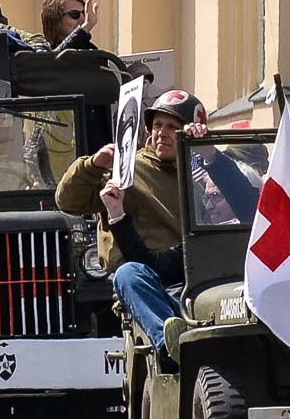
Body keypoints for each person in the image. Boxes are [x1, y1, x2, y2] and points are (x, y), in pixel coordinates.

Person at [55, 89, 200, 369]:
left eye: (173, 127)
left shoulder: (199, 167)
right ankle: (172, 347)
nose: (162, 133)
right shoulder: (127, 168)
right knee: (129, 273)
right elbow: (67, 201)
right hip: (148, 279)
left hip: (196, 273)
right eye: (157, 125)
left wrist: (207, 151)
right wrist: (93, 164)